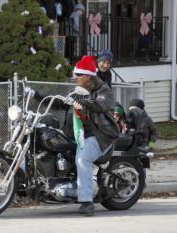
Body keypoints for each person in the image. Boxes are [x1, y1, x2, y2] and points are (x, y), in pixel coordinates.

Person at [73, 56, 119, 216]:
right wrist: (38, 95)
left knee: (82, 160)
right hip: (82, 133)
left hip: (101, 135)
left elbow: (101, 104)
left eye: (79, 74)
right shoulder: (79, 89)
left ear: (87, 76)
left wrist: (85, 103)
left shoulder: (103, 89)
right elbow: (63, 102)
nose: (76, 77)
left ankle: (87, 202)